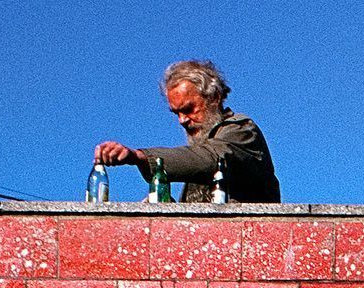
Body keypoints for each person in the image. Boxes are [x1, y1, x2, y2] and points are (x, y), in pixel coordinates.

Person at [93, 60, 280, 203]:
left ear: (214, 98)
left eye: (189, 109)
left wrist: (140, 157)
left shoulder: (242, 131)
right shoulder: (201, 151)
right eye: (177, 113)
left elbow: (212, 158)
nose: (182, 120)